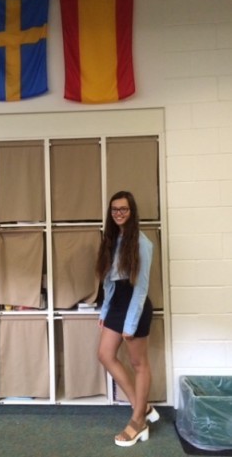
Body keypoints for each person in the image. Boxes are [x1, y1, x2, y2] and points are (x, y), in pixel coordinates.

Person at [96, 190, 159, 447]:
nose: (118, 213)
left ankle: (138, 422)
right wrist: (105, 311)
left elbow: (141, 288)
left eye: (123, 209)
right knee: (105, 354)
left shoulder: (142, 243)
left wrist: (130, 324)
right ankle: (141, 406)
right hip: (117, 305)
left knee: (138, 363)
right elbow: (110, 283)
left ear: (132, 212)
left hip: (136, 305)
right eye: (114, 210)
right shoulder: (112, 239)